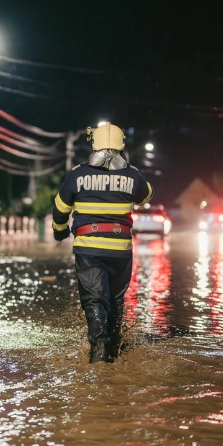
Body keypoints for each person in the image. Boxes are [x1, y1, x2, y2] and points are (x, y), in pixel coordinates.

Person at [52, 122, 153, 363]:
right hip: (121, 251)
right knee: (116, 300)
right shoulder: (131, 175)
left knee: (95, 299)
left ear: (93, 144)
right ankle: (116, 347)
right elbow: (147, 194)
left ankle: (99, 347)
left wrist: (59, 232)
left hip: (89, 250)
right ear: (121, 146)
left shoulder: (78, 174)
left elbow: (59, 209)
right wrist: (131, 172)